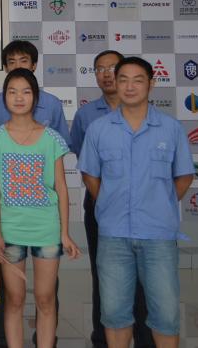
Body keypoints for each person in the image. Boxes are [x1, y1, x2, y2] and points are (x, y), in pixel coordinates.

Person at [78, 57, 194, 348]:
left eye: (138, 80)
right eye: (123, 80)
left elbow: (183, 176)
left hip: (158, 237)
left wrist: (160, 204)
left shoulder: (171, 128)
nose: (130, 87)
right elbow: (90, 176)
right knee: (114, 314)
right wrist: (109, 203)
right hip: (113, 236)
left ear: (151, 84)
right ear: (116, 84)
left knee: (165, 315)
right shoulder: (99, 129)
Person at [0, 40, 70, 347]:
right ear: (3, 97)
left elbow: (61, 188)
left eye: (26, 92)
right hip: (10, 229)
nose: (19, 98)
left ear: (36, 97)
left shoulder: (52, 138)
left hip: (46, 229)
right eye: (12, 92)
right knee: (13, 300)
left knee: (45, 298)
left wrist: (65, 233)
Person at [71, 51, 155, 348]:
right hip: (102, 205)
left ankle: (145, 339)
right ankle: (103, 340)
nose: (105, 74)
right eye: (99, 69)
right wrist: (104, 200)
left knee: (146, 276)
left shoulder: (149, 115)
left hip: (144, 207)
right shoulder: (85, 115)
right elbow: (86, 162)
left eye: (112, 68)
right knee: (104, 274)